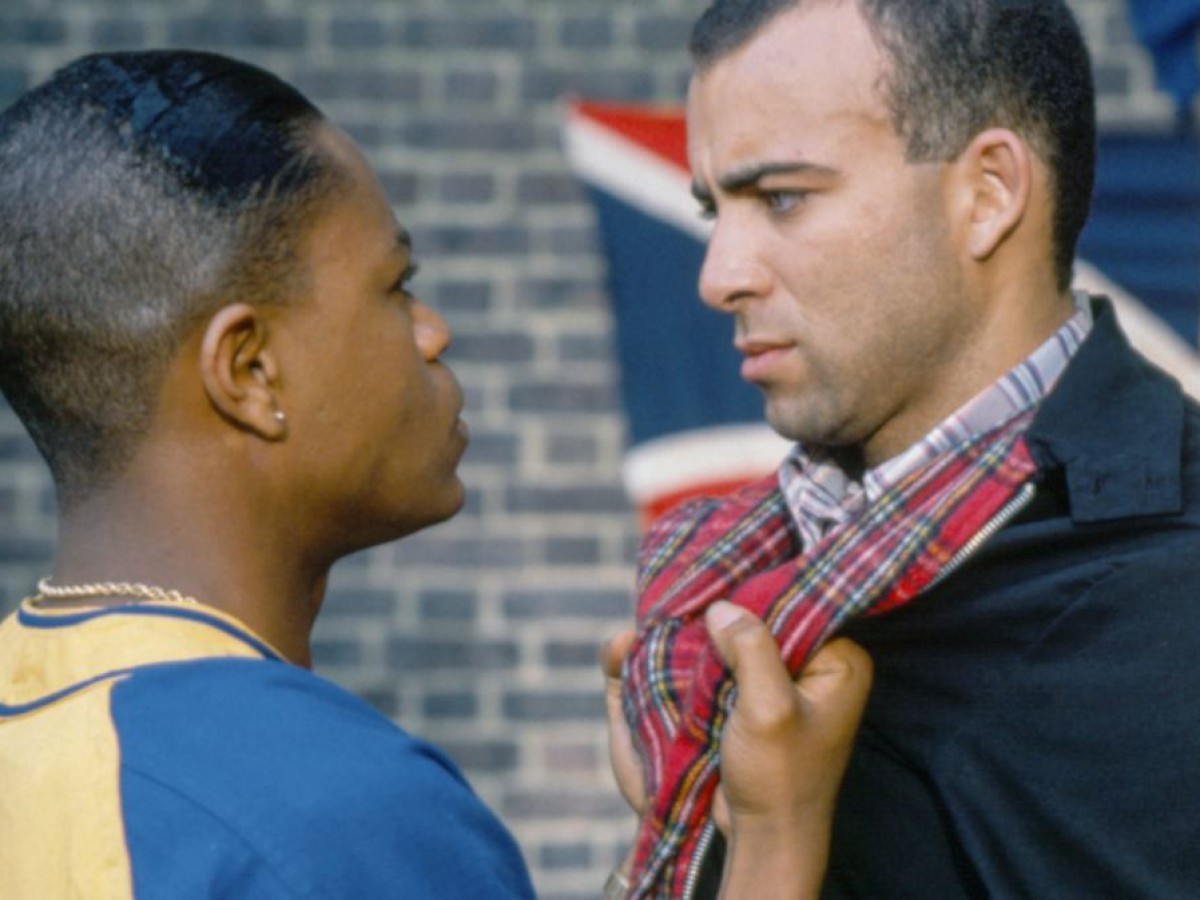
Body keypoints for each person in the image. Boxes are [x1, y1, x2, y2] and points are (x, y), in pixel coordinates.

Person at [0, 50, 872, 899]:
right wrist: (772, 838)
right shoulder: (326, 810)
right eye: (397, 286)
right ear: (249, 370)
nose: (432, 333)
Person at [606, 0, 1200, 898]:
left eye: (782, 198)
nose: (719, 273)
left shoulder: (1174, 583)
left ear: (988, 194)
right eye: (713, 209)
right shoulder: (720, 588)